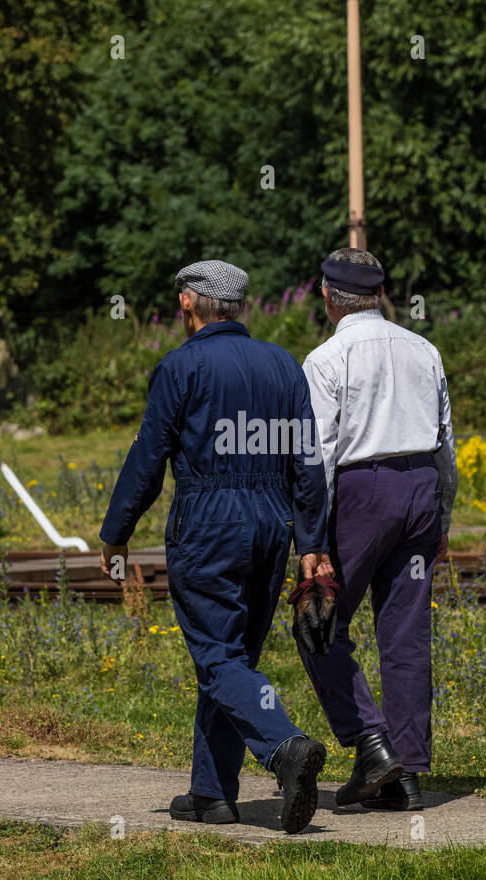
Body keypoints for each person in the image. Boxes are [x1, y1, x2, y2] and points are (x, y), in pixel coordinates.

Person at [99, 259, 335, 834]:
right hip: (270, 524)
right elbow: (308, 461)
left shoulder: (181, 367)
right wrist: (312, 541)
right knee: (232, 660)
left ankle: (285, 748)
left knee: (217, 656)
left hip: (207, 523)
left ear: (187, 303)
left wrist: (116, 532)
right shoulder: (282, 364)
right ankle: (211, 794)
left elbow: (148, 459)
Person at [298, 247, 458, 811]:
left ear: (326, 296)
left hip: (362, 492)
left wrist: (311, 540)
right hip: (419, 488)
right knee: (406, 636)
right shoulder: (425, 350)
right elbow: (445, 444)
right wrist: (442, 514)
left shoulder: (324, 360)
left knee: (316, 621)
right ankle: (407, 775)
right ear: (380, 294)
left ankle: (372, 746)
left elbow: (316, 454)